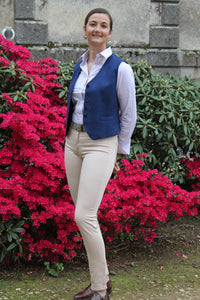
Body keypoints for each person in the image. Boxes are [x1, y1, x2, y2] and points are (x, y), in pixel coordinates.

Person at [64, 8, 137, 300]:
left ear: (109, 32)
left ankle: (99, 292)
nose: (97, 29)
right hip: (73, 142)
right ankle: (102, 280)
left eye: (103, 25)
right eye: (92, 24)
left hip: (101, 144)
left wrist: (117, 152)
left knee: (84, 215)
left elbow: (129, 114)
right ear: (85, 29)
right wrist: (69, 139)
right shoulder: (79, 65)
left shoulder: (120, 68)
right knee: (83, 216)